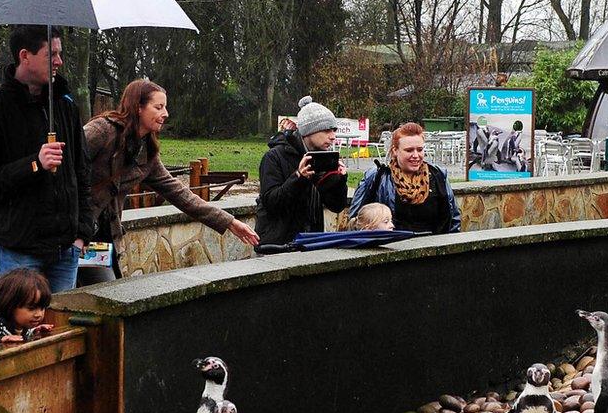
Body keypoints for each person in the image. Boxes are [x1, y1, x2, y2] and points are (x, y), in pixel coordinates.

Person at [80, 79, 259, 284]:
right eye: (158, 107)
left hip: (101, 239)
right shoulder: (102, 130)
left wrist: (230, 222)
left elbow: (180, 194)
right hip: (71, 232)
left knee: (103, 293)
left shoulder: (147, 154)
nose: (165, 113)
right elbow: (66, 167)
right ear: (138, 107)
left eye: (165, 107)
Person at [0, 25, 94, 293]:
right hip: (18, 250)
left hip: (65, 250)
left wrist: (82, 234)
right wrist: (34, 164)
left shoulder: (65, 106)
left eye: (60, 54)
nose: (59, 61)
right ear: (25, 56)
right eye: (52, 55)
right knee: (17, 332)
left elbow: (82, 172)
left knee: (61, 332)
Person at [254, 96, 348, 245]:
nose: (333, 137)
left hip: (310, 243)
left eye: (334, 130)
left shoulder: (321, 159)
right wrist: (299, 177)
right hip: (276, 246)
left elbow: (336, 205)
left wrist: (340, 180)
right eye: (327, 130)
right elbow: (271, 202)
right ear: (308, 131)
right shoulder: (274, 157)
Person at [349, 122, 461, 234]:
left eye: (420, 149)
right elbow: (356, 220)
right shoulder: (377, 177)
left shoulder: (438, 175)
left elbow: (454, 220)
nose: (416, 155)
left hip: (435, 247)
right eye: (409, 150)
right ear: (395, 151)